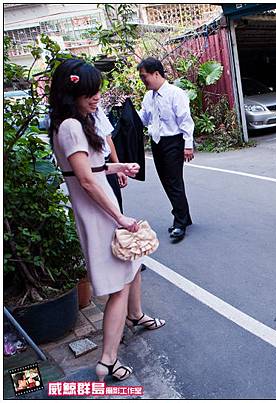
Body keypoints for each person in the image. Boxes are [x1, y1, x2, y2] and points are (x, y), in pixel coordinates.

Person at [49, 59, 165, 382]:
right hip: (99, 215)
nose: (98, 96)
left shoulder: (75, 122)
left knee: (129, 270)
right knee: (118, 287)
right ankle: (108, 361)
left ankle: (134, 319)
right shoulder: (72, 126)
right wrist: (120, 217)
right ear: (72, 94)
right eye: (90, 92)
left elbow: (90, 171)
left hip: (102, 210)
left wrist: (119, 167)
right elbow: (86, 181)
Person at [137, 57, 194, 242]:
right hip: (157, 142)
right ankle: (184, 216)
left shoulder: (175, 93)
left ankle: (180, 223)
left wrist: (188, 145)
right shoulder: (148, 97)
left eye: (144, 76)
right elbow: (144, 119)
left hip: (173, 142)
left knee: (174, 181)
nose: (143, 80)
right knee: (167, 182)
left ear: (156, 73)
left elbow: (185, 120)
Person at [94, 105, 127, 212]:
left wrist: (118, 168)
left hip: (107, 165)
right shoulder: (72, 121)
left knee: (116, 206)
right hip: (92, 168)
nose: (96, 97)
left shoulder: (96, 109)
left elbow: (108, 137)